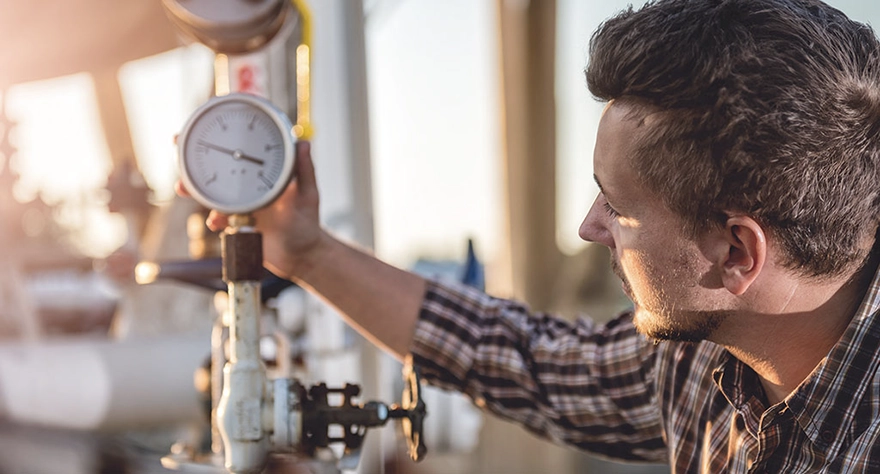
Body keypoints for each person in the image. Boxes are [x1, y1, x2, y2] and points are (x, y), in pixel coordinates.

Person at [180, 0, 880, 471]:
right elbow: (518, 359)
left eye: (617, 205)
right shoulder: (708, 362)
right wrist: (305, 251)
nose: (589, 226)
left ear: (737, 254)